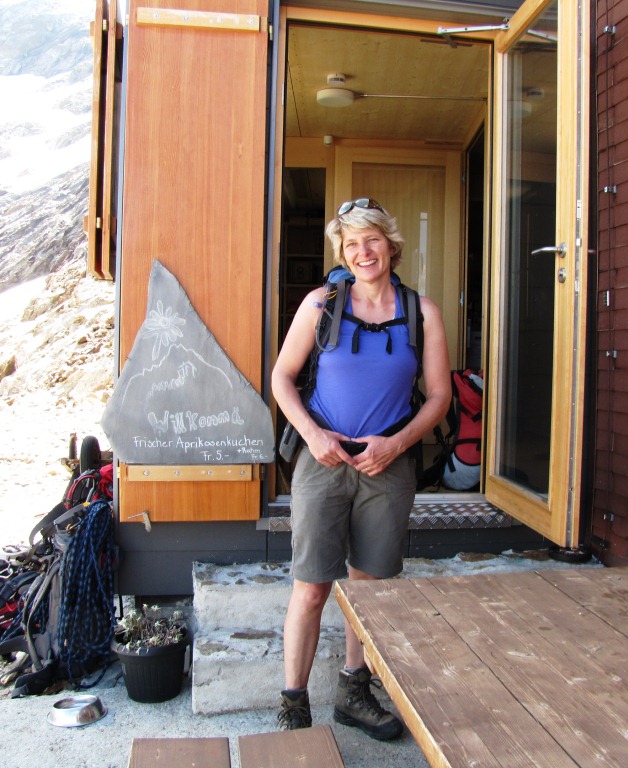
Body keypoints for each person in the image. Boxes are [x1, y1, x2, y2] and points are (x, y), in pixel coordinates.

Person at [271, 198, 452, 739]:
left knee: (368, 588)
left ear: (390, 245)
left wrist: (395, 445)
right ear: (342, 253)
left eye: (371, 239)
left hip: (387, 466)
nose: (362, 252)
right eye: (351, 244)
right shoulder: (320, 304)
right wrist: (313, 436)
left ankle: (355, 692)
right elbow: (282, 378)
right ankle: (294, 703)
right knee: (311, 586)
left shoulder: (422, 312)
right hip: (323, 459)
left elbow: (439, 397)